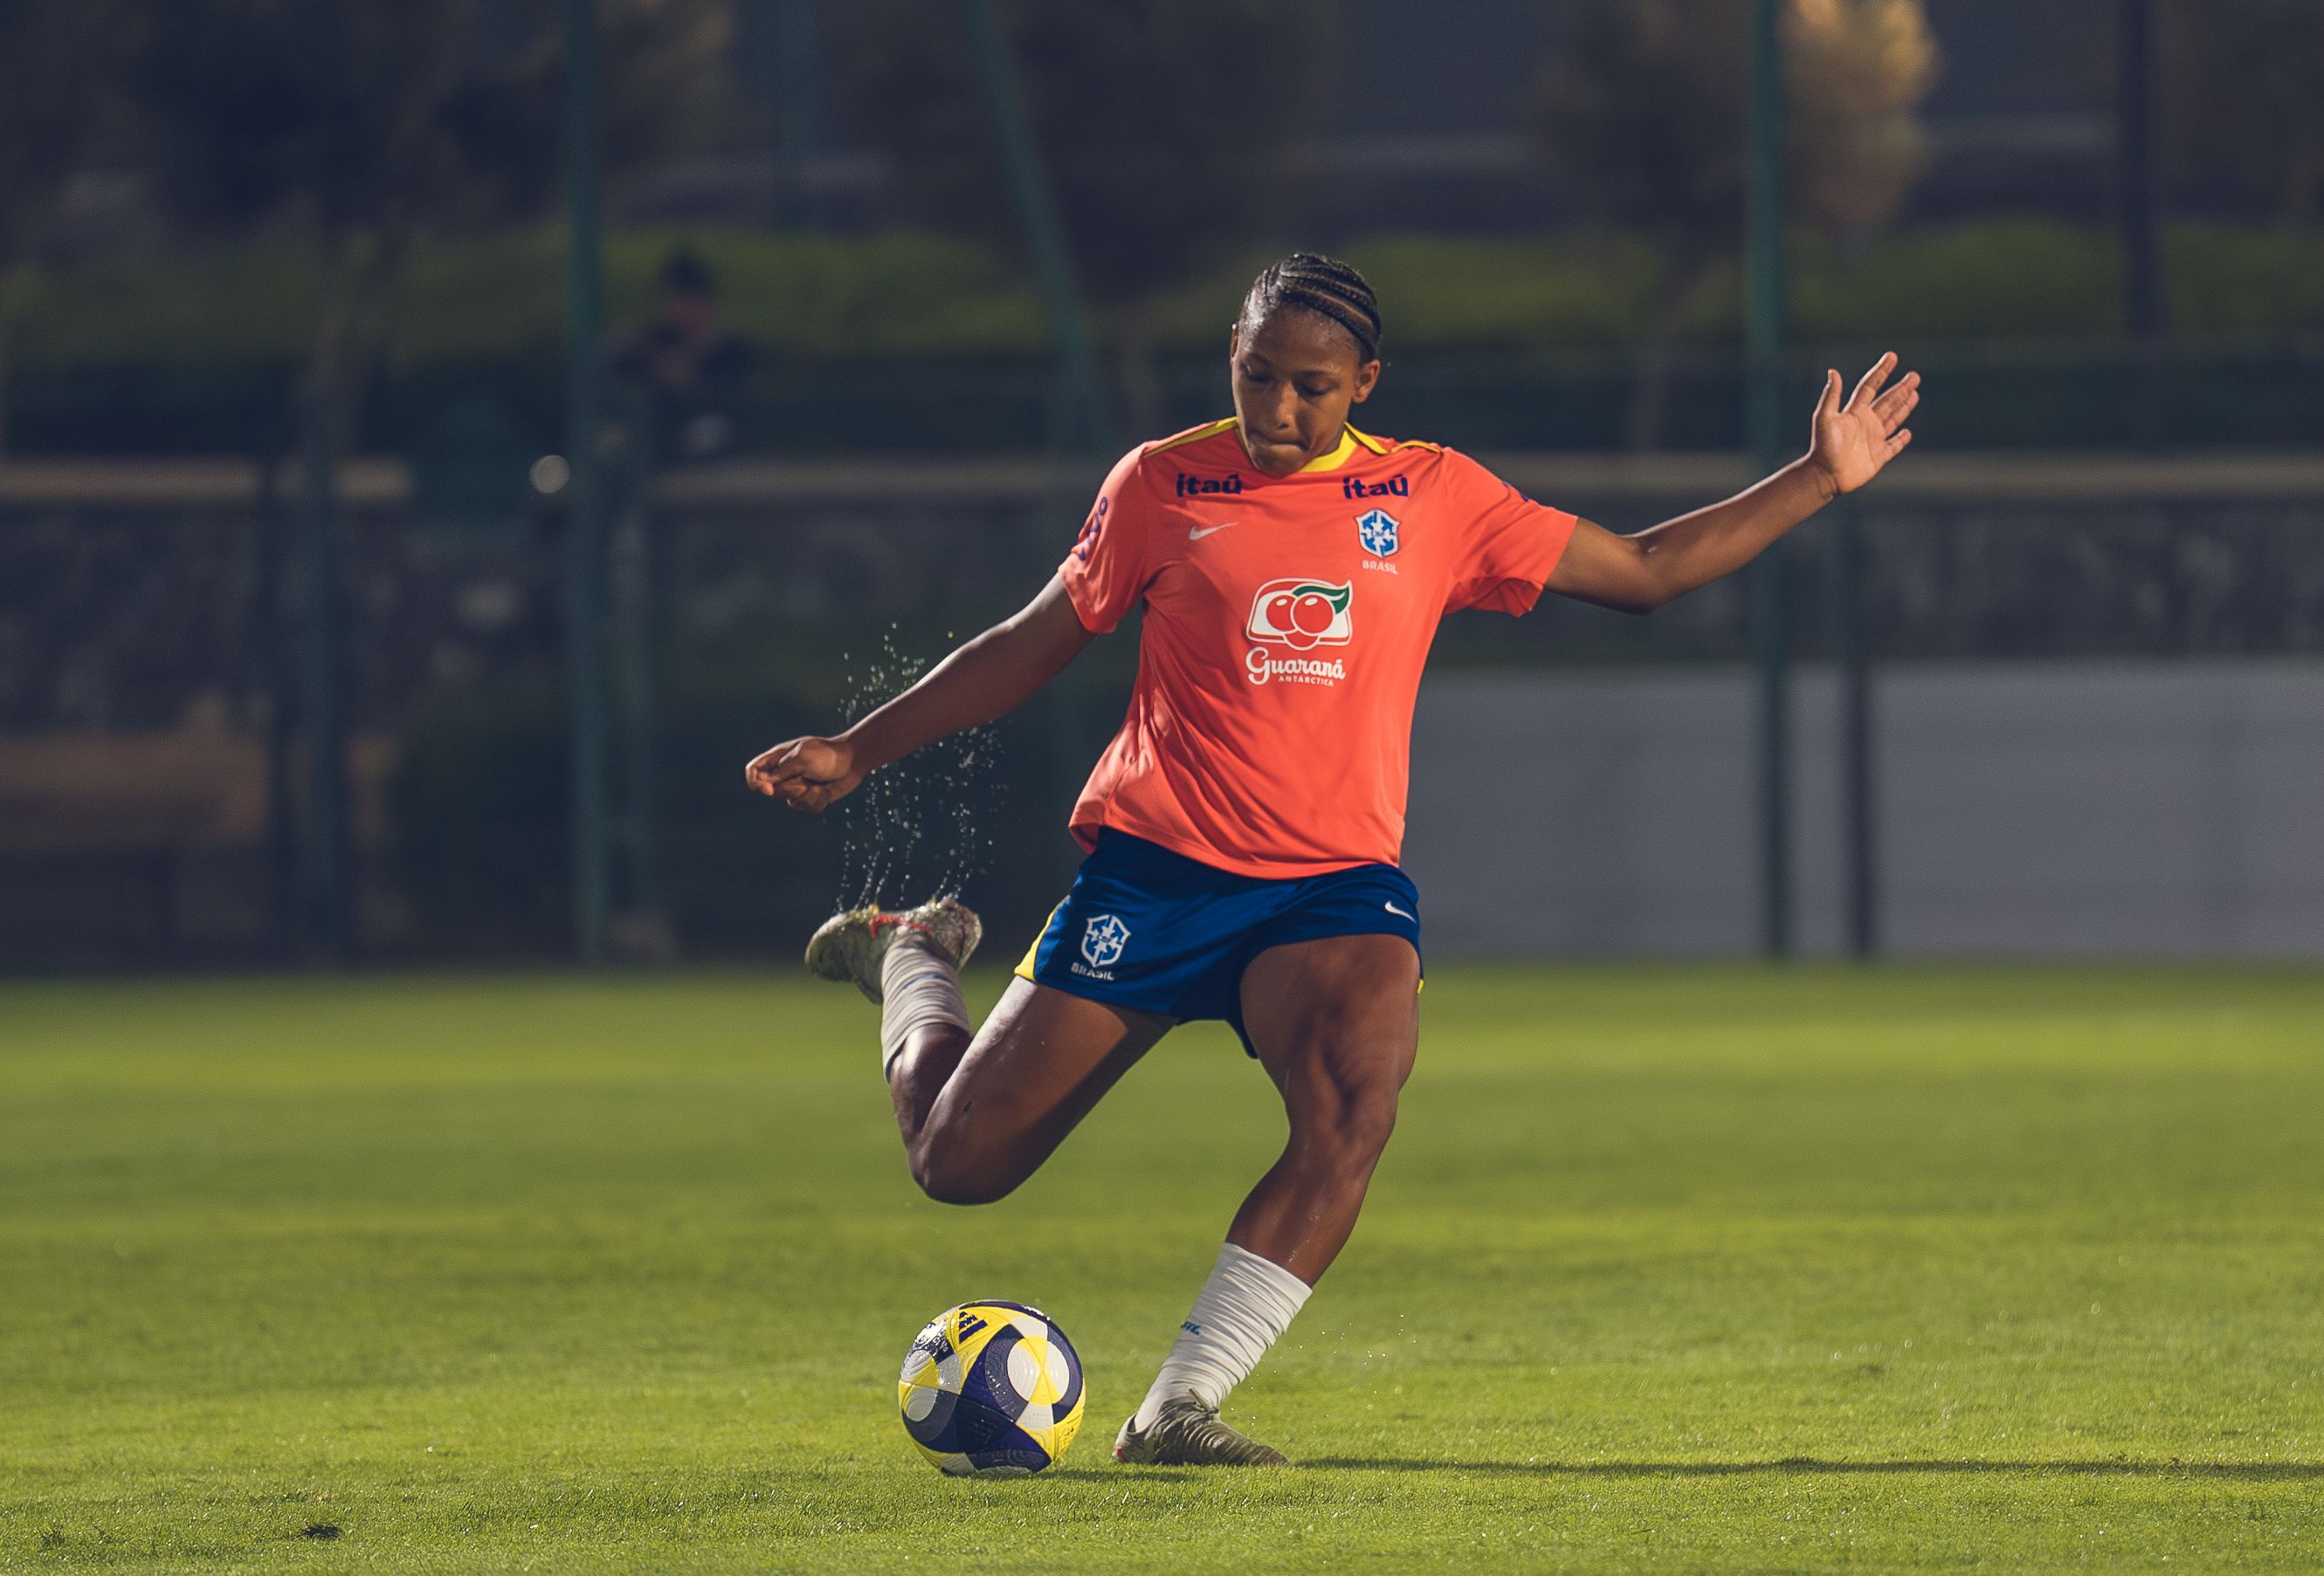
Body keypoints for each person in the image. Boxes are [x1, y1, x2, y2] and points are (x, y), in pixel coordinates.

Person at [746, 253, 1920, 1467]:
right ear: (1233, 358)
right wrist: (856, 748)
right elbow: (1028, 644)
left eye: (1311, 386)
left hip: (1329, 889)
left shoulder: (1432, 492)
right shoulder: (1158, 481)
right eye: (1258, 375)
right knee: (958, 1165)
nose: (1278, 408)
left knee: (1354, 1106)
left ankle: (1175, 1409)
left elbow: (1645, 571)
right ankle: (911, 955)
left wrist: (1815, 478)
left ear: (1364, 382)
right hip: (1156, 872)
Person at [608, 248, 754, 463]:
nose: (681, 309)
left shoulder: (730, 350)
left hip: (711, 444)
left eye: (688, 301)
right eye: (675, 300)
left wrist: (684, 377)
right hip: (656, 442)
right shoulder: (657, 337)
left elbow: (732, 401)